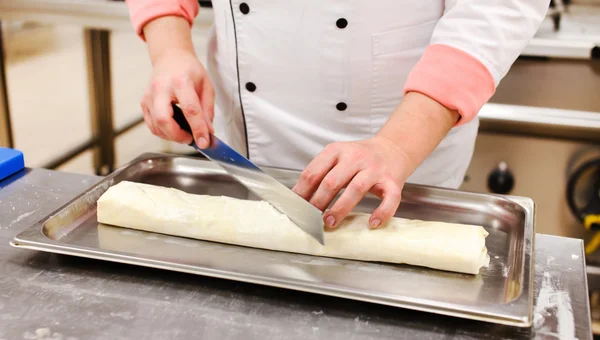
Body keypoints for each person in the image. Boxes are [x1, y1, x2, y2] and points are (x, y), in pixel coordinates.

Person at [125, 0, 549, 229]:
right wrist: (170, 49)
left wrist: (396, 146)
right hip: (245, 145)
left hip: (403, 146)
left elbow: (497, 7)